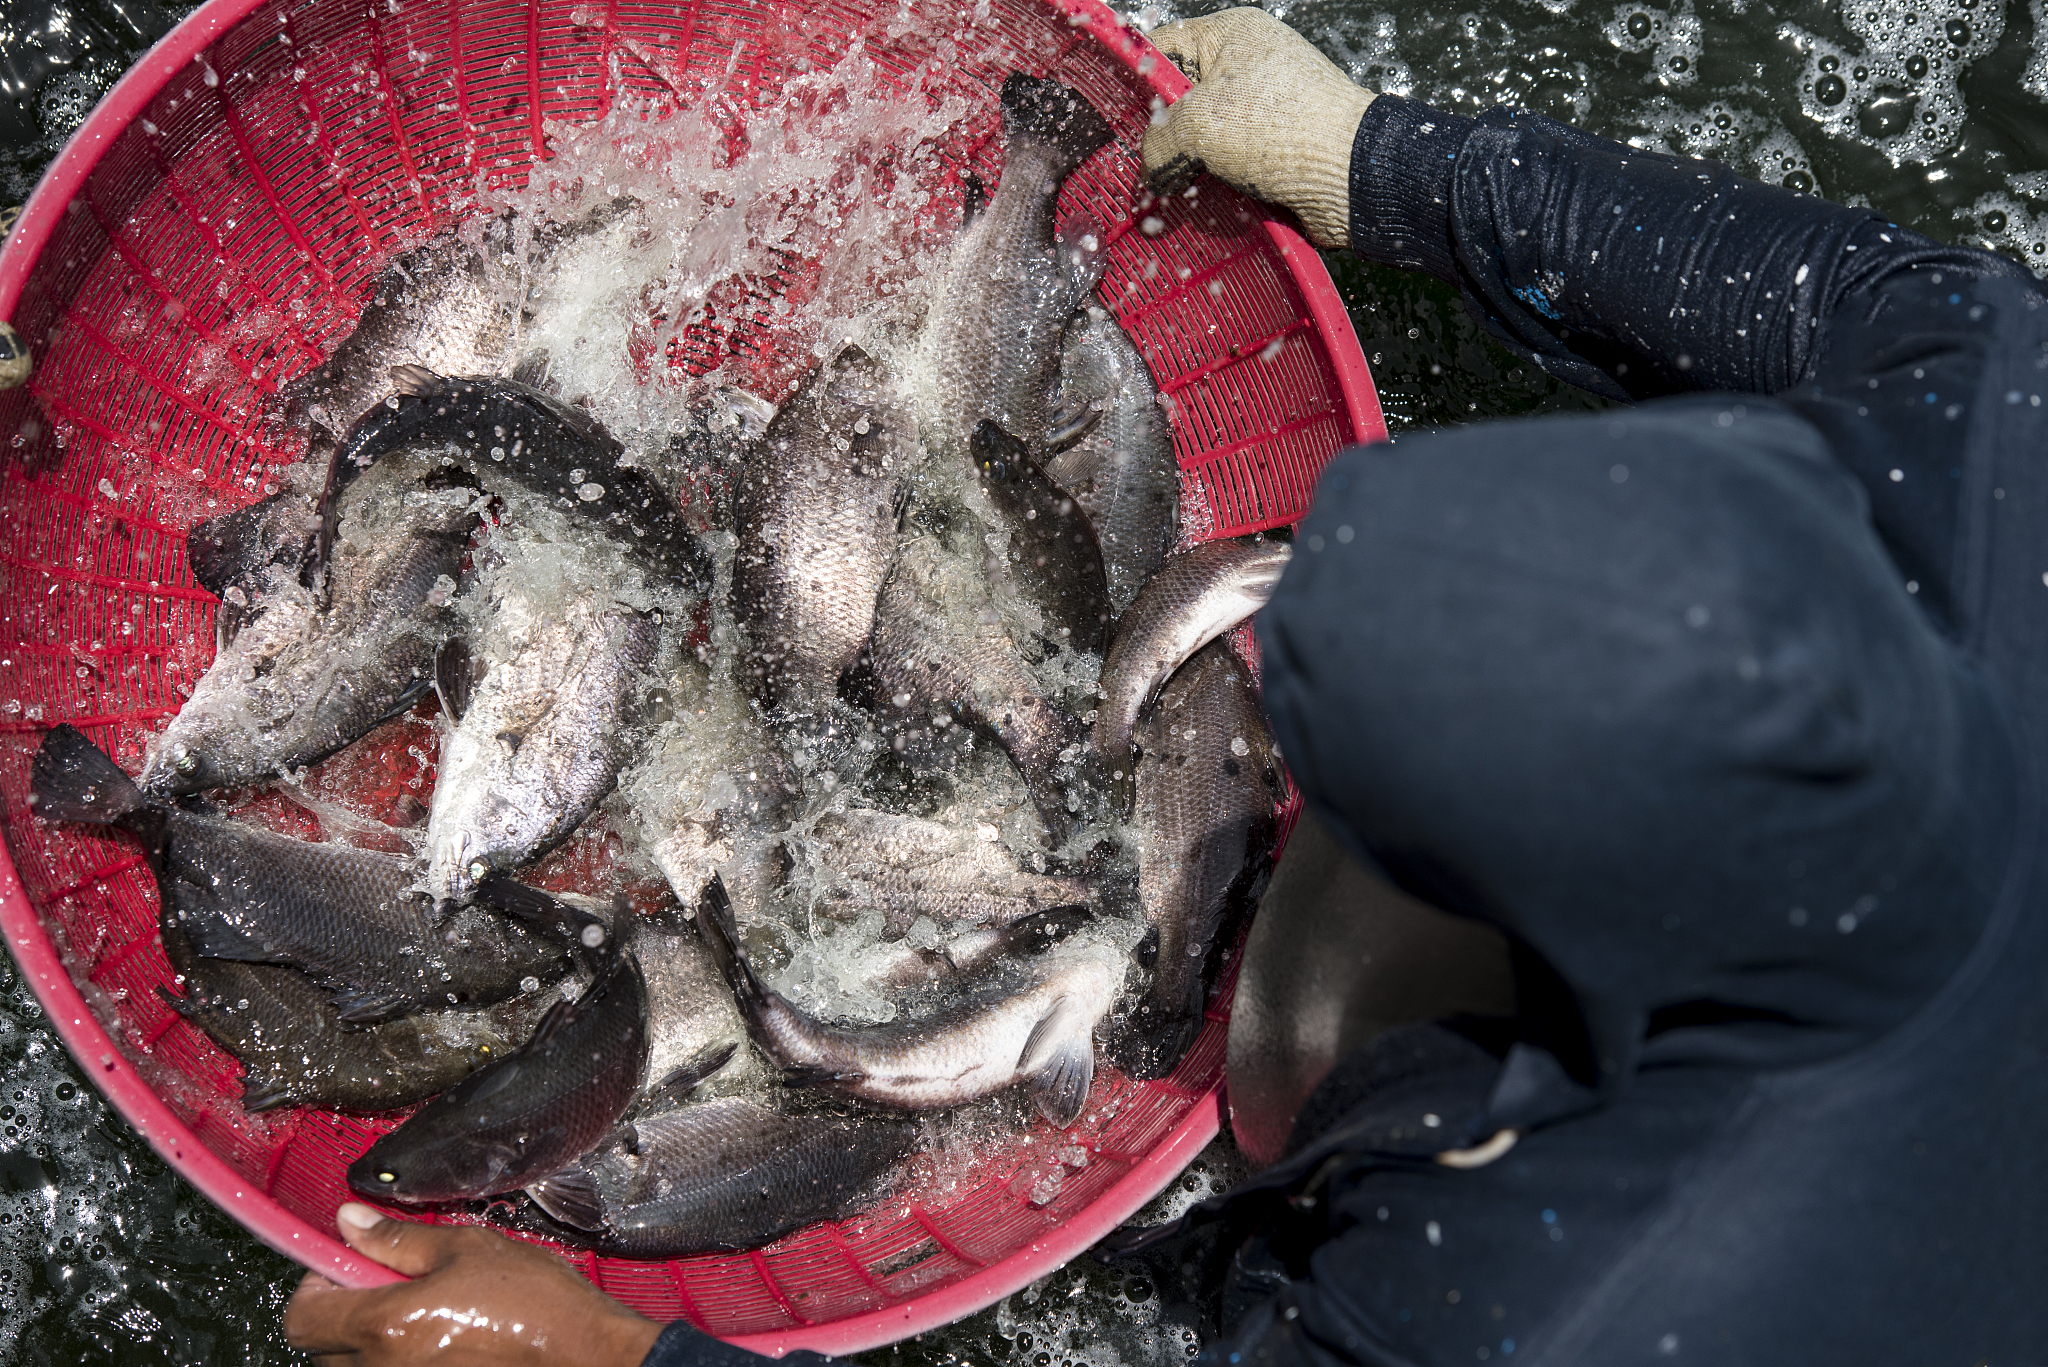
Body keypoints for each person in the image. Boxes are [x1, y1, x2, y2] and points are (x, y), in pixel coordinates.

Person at [283, 8, 2048, 1363]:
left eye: (1347, 790)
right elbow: (1878, 290)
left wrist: (613, 1356)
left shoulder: (1536, 1302)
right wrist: (1379, 158)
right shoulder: (1991, 437)